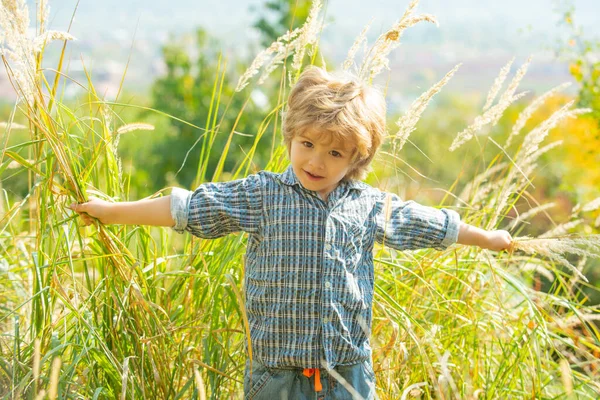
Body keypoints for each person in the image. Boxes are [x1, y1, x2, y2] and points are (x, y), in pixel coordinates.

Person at [70, 66, 512, 399]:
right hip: (274, 375)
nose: (316, 162)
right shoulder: (262, 194)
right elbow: (188, 210)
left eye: (334, 152)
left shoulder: (368, 204)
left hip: (347, 375)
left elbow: (427, 223)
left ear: (356, 158)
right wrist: (111, 212)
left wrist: (486, 237)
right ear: (291, 137)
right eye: (307, 144)